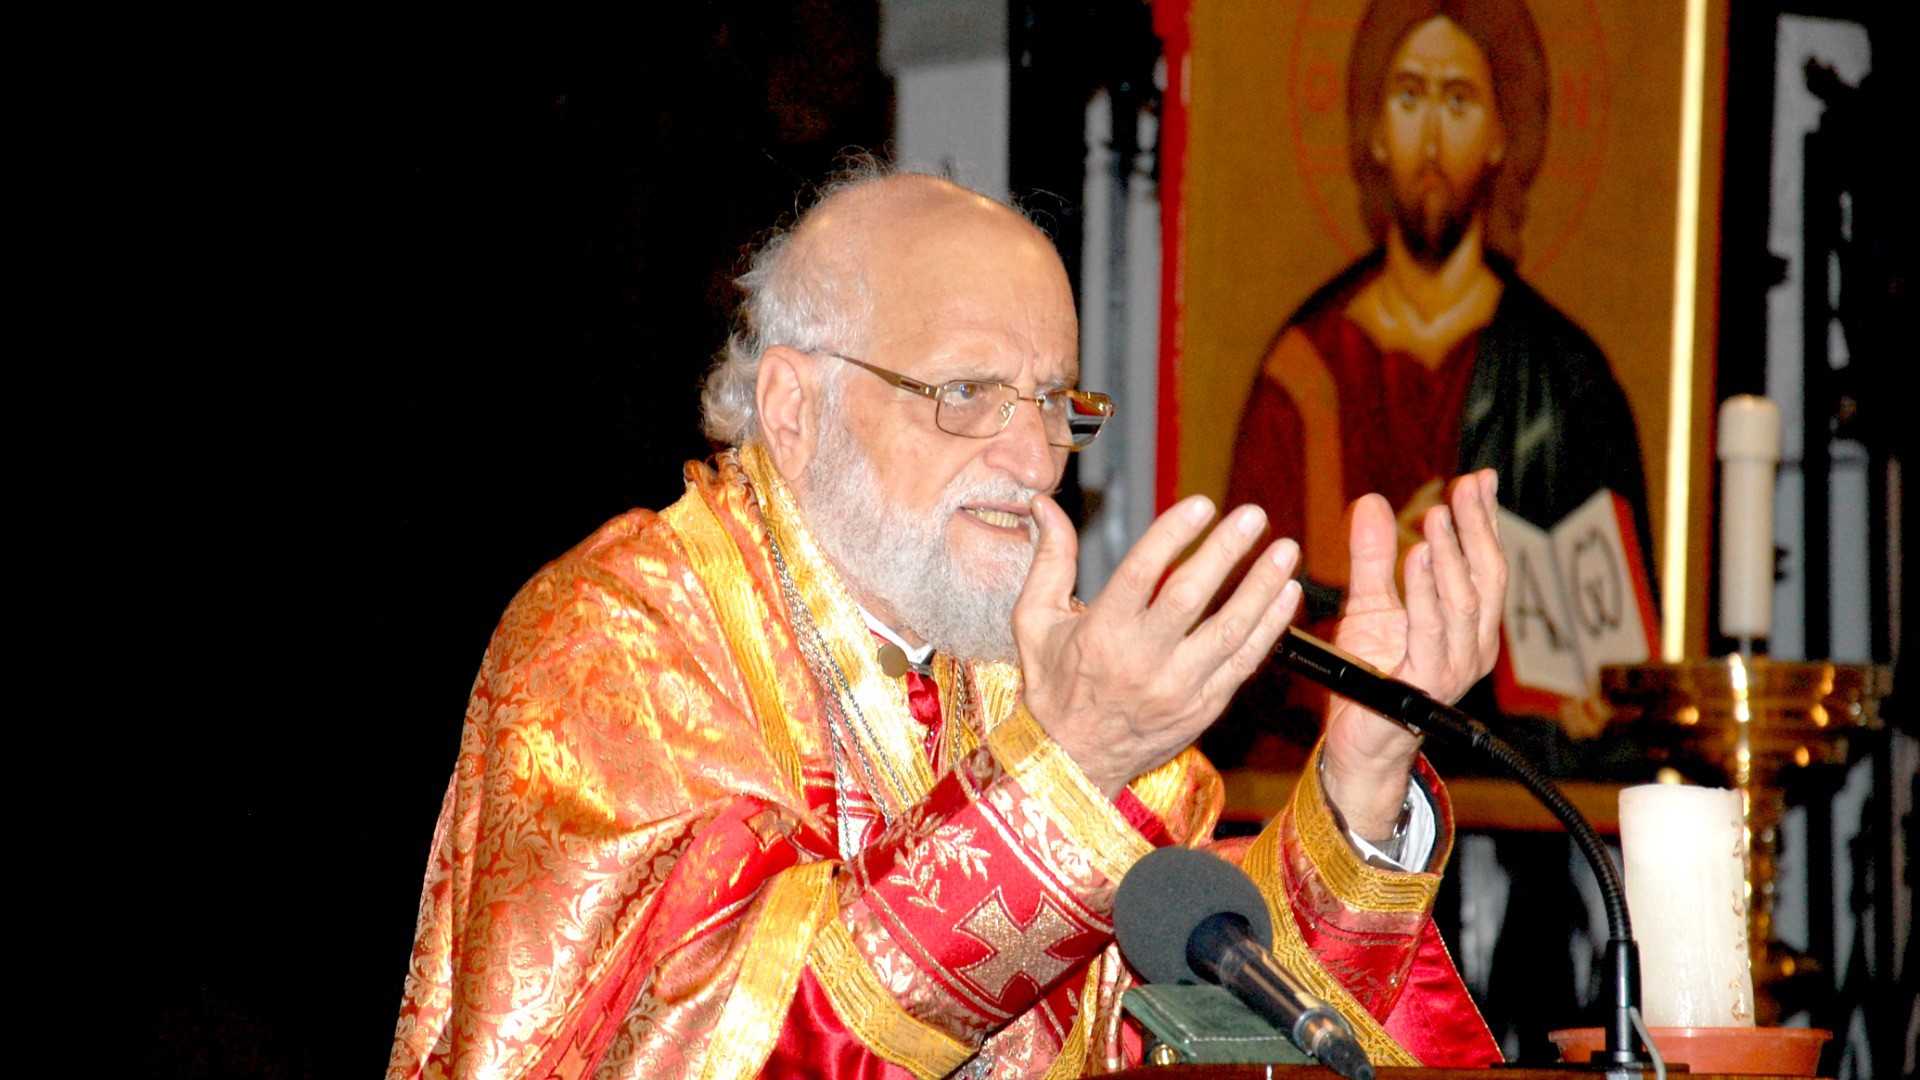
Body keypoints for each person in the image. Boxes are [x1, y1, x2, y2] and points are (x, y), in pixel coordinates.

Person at [389, 165, 1508, 1079]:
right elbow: (696, 1049)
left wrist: (1362, 784)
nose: (1031, 463)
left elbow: (1174, 1033)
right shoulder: (622, 640)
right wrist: (1064, 778)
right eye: (964, 394)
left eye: (1058, 405)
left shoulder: (1038, 661)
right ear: (794, 408)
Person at [1227, 0, 1653, 659]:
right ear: (1373, 130)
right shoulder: (1306, 366)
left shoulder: (1565, 378)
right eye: (1408, 97)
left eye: (1458, 102)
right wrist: (1371, 583)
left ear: (1500, 137)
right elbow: (1244, 638)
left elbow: (1607, 644)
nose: (1430, 140)